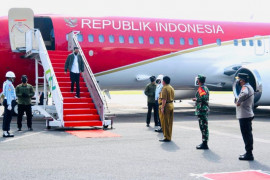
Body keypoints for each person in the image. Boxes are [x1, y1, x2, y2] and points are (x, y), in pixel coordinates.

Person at [235, 73, 255, 161]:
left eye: (239, 80)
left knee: (246, 135)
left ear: (242, 80)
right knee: (248, 134)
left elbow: (244, 94)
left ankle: (249, 154)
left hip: (244, 115)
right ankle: (248, 152)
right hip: (247, 113)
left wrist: (238, 101)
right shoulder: (250, 86)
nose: (239, 81)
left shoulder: (245, 87)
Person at [192, 75, 210, 149]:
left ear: (199, 81)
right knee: (203, 126)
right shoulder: (204, 88)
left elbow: (203, 98)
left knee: (203, 127)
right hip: (203, 109)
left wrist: (196, 99)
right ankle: (204, 142)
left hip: (202, 110)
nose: (197, 81)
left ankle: (204, 143)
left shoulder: (202, 89)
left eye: (198, 80)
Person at [158, 76, 174, 142]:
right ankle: (169, 136)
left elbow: (164, 99)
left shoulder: (164, 88)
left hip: (166, 106)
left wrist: (162, 108)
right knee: (169, 123)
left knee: (165, 123)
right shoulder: (171, 87)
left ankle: (167, 137)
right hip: (171, 105)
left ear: (163, 81)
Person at [2, 71, 16, 138]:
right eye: (12, 78)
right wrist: (9, 104)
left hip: (7, 100)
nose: (13, 79)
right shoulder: (9, 84)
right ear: (10, 78)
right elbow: (8, 94)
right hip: (9, 101)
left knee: (7, 117)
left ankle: (6, 131)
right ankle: (5, 132)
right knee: (7, 117)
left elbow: (3, 93)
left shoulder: (6, 83)